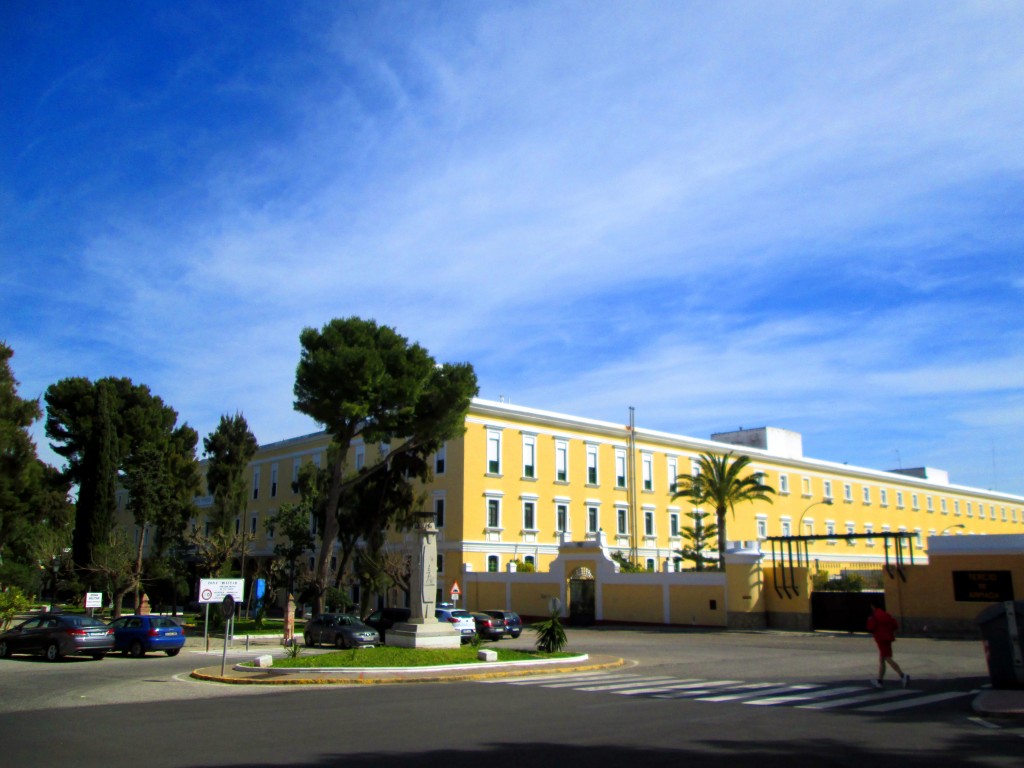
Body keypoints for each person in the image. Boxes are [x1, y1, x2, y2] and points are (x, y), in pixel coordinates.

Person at [867, 602, 909, 688]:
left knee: (887, 658)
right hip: (888, 638)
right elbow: (895, 625)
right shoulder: (886, 615)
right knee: (882, 659)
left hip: (880, 639)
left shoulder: (874, 617)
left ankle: (902, 675)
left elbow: (870, 628)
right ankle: (880, 681)